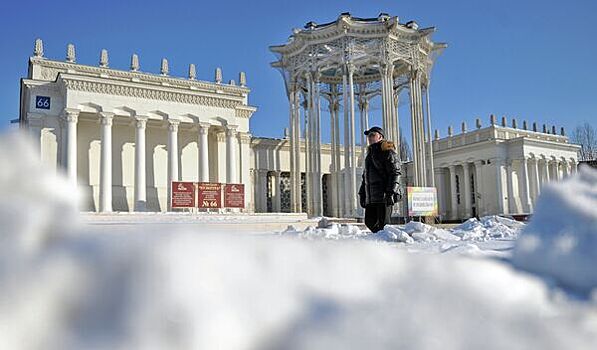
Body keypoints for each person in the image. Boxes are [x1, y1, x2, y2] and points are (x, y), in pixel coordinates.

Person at [358, 126, 402, 233]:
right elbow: (366, 177)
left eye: (373, 135)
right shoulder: (369, 155)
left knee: (384, 226)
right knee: (369, 222)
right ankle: (379, 244)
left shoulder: (388, 152)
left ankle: (388, 246)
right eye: (369, 136)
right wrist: (362, 194)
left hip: (384, 196)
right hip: (372, 197)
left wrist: (391, 192)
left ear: (380, 137)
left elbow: (395, 173)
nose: (370, 138)